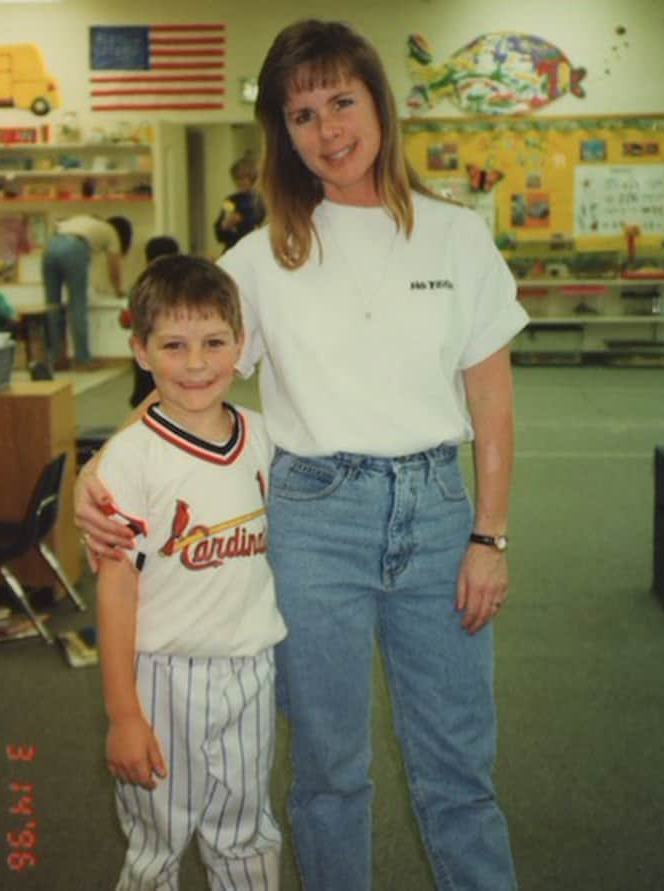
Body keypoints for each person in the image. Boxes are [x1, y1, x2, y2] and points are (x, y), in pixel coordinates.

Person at [76, 18, 529, 891]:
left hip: (439, 518)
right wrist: (103, 473)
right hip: (315, 522)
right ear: (281, 133)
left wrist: (490, 534)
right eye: (301, 113)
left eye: (341, 102)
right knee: (328, 774)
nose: (327, 130)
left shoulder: (456, 236)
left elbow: (491, 396)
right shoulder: (256, 259)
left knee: (459, 774)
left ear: (378, 105)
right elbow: (186, 368)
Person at [96, 253, 285, 890]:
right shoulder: (130, 456)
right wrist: (124, 713)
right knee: (157, 841)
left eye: (214, 342)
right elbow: (116, 588)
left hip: (250, 667)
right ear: (142, 353)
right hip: (162, 676)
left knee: (245, 835)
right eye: (174, 346)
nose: (197, 363)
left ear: (240, 345)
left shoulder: (262, 436)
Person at [42, 214, 132, 370]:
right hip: (74, 248)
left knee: (53, 307)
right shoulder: (112, 232)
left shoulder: (83, 221)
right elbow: (114, 268)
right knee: (77, 305)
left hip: (50, 247)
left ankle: (57, 359)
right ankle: (83, 360)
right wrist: (119, 291)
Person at [118, 235, 181, 408]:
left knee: (145, 397)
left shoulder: (141, 284)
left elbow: (125, 320)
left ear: (147, 259)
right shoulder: (186, 285)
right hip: (179, 352)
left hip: (147, 351)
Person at [213, 154, 266, 251]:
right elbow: (219, 232)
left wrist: (240, 220)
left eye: (243, 178)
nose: (240, 182)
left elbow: (258, 222)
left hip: (253, 248)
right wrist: (225, 226)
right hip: (233, 248)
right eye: (237, 179)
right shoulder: (230, 201)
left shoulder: (260, 201)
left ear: (252, 178)